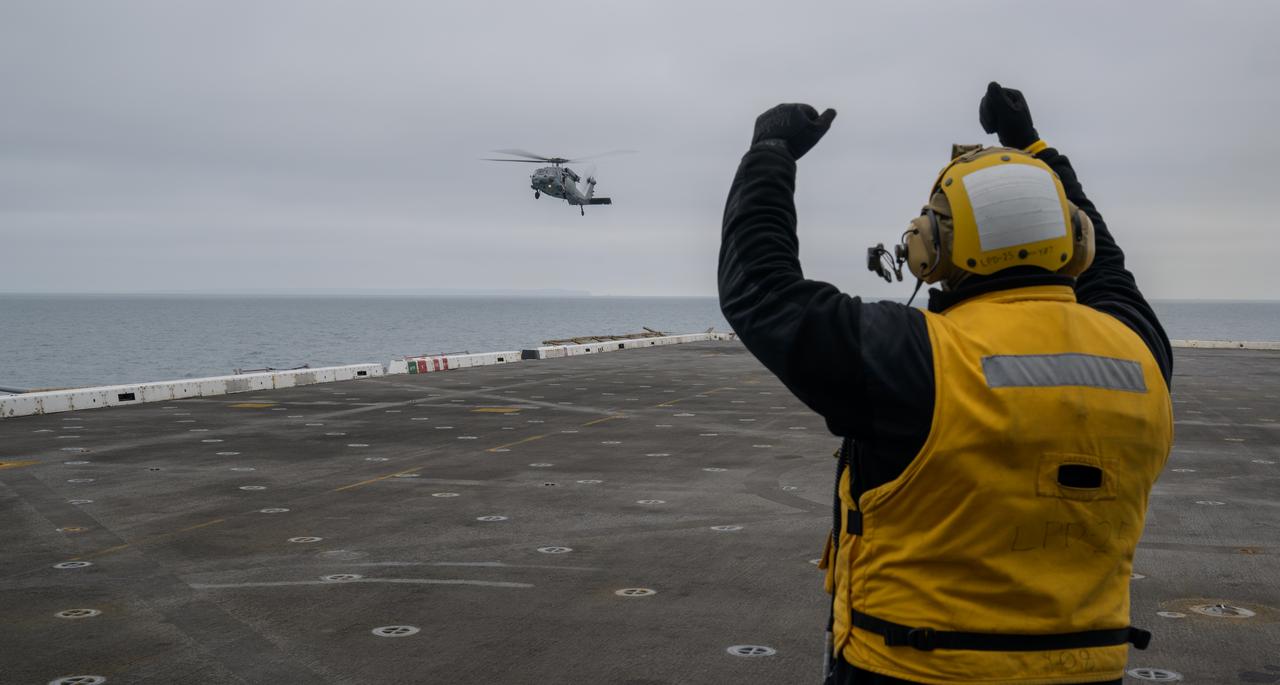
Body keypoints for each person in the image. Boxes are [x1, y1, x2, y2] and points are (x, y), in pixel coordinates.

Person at [718, 82, 1174, 684]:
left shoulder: (915, 356)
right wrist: (1032, 147)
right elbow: (1109, 269)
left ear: (931, 247)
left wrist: (770, 153)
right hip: (1086, 667)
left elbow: (761, 287)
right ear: (1076, 239)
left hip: (911, 667)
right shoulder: (1139, 353)